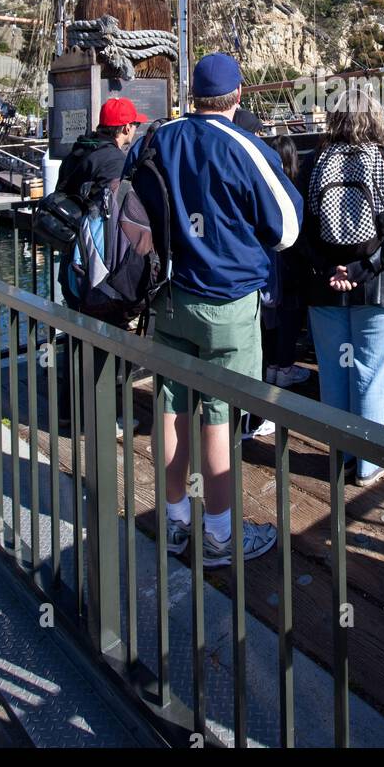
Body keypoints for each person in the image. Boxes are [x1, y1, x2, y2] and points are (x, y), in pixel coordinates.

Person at [130, 52, 304, 567]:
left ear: (193, 96)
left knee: (169, 407)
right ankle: (220, 535)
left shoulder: (156, 138)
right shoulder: (246, 148)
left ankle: (174, 519)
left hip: (166, 296)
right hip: (227, 301)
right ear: (239, 96)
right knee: (221, 413)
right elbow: (288, 229)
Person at [302, 89, 384, 487]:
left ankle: (341, 455)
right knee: (371, 373)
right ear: (375, 118)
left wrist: (330, 268)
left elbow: (300, 228)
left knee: (334, 374)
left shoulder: (315, 162)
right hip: (379, 285)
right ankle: (368, 464)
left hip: (326, 284)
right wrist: (364, 267)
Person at [55, 96, 149, 433]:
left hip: (73, 263)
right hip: (101, 266)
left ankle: (69, 411)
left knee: (78, 338)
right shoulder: (113, 162)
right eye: (134, 125)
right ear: (124, 127)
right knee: (108, 341)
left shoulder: (78, 152)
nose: (135, 130)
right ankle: (102, 420)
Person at [260, 136, 310, 388]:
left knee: (271, 320)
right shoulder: (297, 188)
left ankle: (270, 366)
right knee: (290, 317)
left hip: (268, 260)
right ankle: (285, 367)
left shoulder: (263, 186)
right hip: (292, 261)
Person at [57, 96, 148, 192]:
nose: (136, 128)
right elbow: (110, 204)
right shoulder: (116, 160)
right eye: (136, 125)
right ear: (127, 128)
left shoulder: (80, 148)